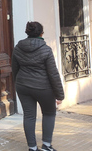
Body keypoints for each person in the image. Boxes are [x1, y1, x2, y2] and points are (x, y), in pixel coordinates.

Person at [12, 21, 64, 151]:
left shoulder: (18, 48)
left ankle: (32, 147)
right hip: (43, 87)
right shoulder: (46, 49)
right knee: (49, 113)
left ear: (28, 33)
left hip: (23, 85)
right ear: (41, 33)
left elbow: (15, 69)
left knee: (29, 116)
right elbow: (53, 74)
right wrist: (59, 95)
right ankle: (46, 146)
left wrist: (19, 84)